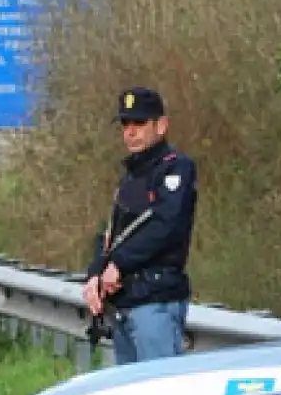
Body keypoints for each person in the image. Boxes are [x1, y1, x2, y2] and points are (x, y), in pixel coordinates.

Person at [85, 87, 198, 363]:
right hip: (124, 303)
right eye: (125, 124)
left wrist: (119, 264)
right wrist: (95, 272)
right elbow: (113, 232)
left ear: (161, 126)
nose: (130, 132)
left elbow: (165, 225)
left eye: (139, 123)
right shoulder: (130, 177)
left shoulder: (176, 169)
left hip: (155, 300)